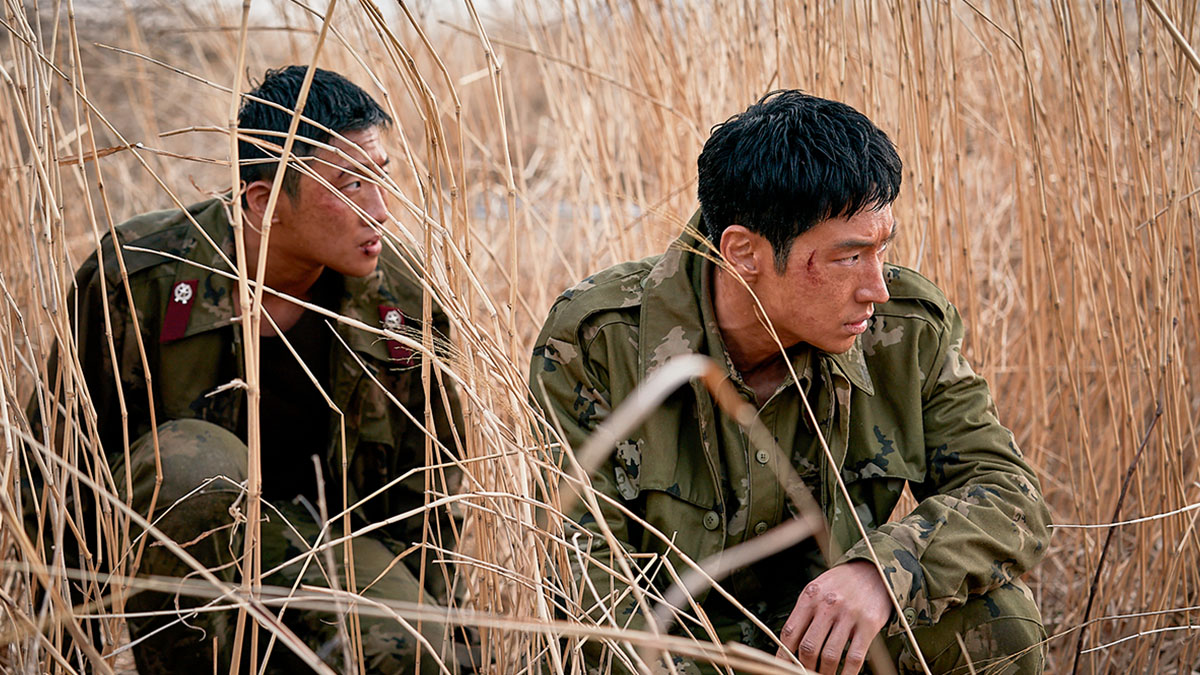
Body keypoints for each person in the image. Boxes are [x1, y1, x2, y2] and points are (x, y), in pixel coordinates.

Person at [529, 91, 1051, 674]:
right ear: (744, 252)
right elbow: (583, 576)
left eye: (882, 249)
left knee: (1001, 624)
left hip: (825, 648)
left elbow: (1010, 494)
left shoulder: (906, 331)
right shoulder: (599, 340)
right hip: (670, 653)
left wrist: (884, 570)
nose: (877, 288)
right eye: (847, 258)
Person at [28, 66, 465, 673]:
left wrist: (446, 634)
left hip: (327, 548)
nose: (381, 211)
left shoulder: (401, 298)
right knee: (196, 467)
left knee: (416, 652)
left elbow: (429, 486)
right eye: (351, 185)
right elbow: (56, 468)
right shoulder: (141, 275)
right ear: (263, 202)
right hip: (177, 564)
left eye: (381, 177)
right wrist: (60, 645)